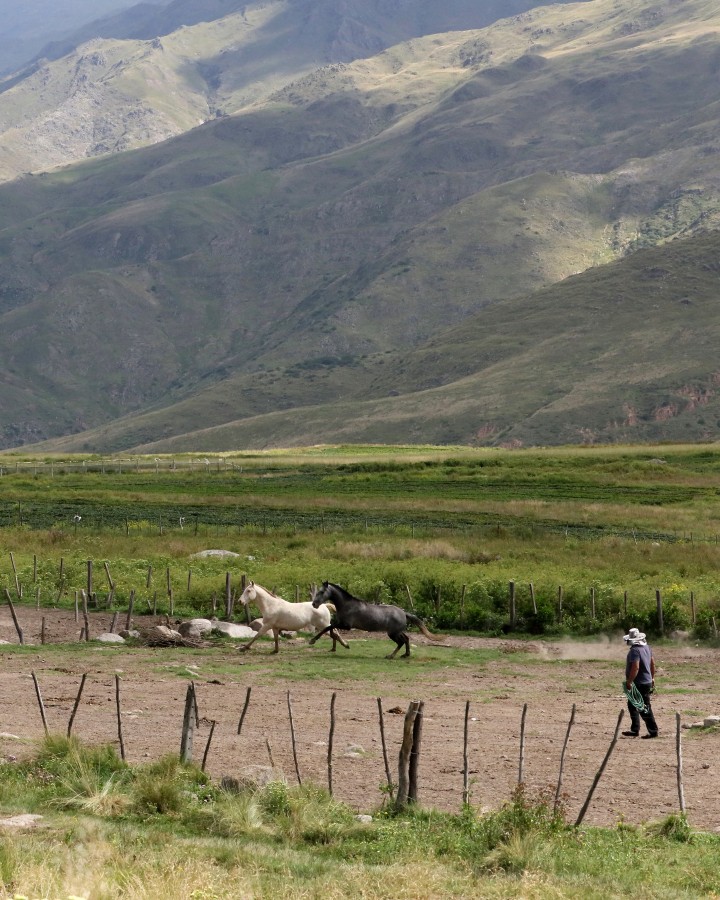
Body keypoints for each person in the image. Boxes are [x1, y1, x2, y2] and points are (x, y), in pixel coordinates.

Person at [622, 627, 658, 738]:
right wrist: (652, 678)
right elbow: (652, 664)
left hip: (639, 683)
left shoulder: (634, 651)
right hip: (646, 681)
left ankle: (653, 731)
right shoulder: (647, 648)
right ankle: (635, 729)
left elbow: (635, 667)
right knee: (633, 705)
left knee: (643, 707)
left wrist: (629, 681)